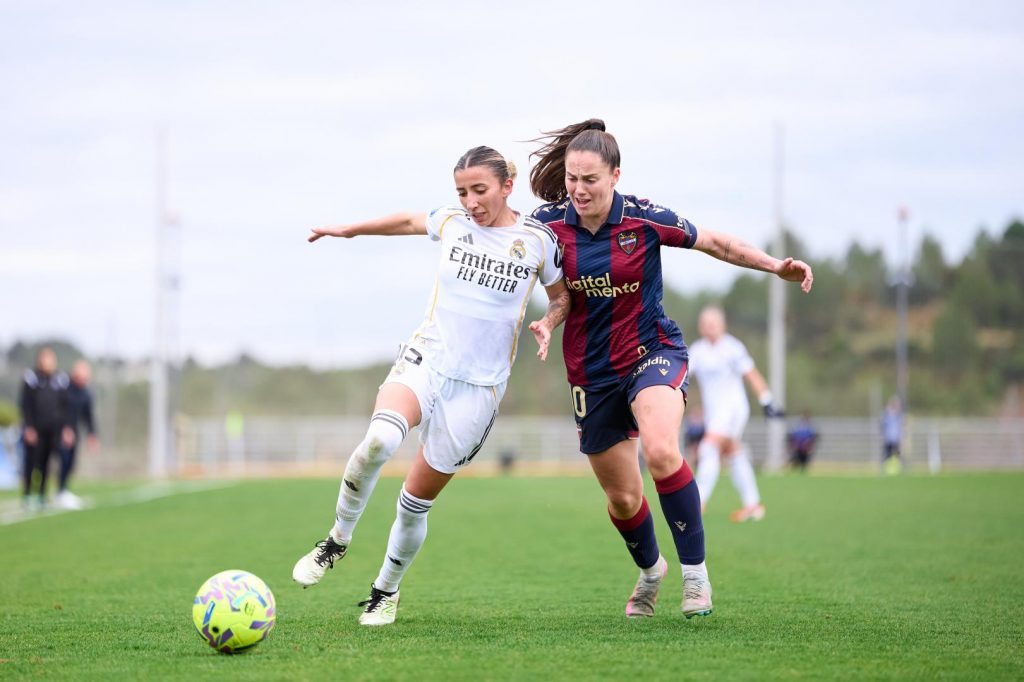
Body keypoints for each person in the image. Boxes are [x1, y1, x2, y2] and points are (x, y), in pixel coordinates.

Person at [529, 118, 813, 619]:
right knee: (622, 497)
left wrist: (774, 266)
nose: (578, 189)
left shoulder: (645, 219)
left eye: (590, 179)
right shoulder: (546, 226)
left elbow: (717, 244)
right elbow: (555, 295)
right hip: (591, 374)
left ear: (615, 175)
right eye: (572, 178)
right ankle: (650, 571)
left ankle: (696, 577)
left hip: (651, 353)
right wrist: (550, 321)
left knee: (661, 450)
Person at [292, 146, 569, 626]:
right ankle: (336, 539)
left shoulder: (539, 241)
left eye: (479, 190)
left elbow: (560, 296)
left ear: (507, 185)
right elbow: (405, 221)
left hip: (479, 388)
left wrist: (550, 323)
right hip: (427, 358)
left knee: (414, 502)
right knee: (378, 440)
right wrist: (350, 229)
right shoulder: (452, 222)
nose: (470, 201)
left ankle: (385, 591)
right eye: (461, 192)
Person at [688, 306, 785, 522]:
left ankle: (697, 503)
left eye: (713, 323)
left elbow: (751, 375)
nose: (709, 327)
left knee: (708, 447)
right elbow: (682, 374)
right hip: (714, 413)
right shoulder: (697, 350)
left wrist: (767, 401)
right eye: (705, 323)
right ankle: (753, 505)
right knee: (733, 453)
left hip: (733, 408)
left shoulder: (733, 348)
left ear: (722, 325)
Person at [18, 347, 74, 510]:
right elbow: (25, 405)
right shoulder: (32, 379)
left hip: (53, 429)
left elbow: (66, 406)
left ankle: (42, 494)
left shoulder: (60, 380)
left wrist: (66, 428)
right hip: (35, 429)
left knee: (46, 462)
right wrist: (28, 427)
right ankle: (28, 494)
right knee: (31, 462)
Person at [56, 359, 99, 510]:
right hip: (59, 431)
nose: (85, 380)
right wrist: (64, 428)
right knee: (63, 459)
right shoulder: (64, 388)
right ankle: (59, 492)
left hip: (74, 433)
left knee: (71, 462)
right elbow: (58, 410)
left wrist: (92, 435)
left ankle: (64, 491)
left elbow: (88, 416)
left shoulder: (85, 393)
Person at [880, 396, 903, 475]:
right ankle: (884, 470)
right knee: (887, 455)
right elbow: (882, 423)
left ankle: (898, 469)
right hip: (888, 438)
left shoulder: (898, 415)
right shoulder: (887, 414)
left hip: (896, 438)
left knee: (897, 455)